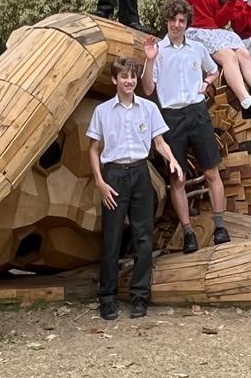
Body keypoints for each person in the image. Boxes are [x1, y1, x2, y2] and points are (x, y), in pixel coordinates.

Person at [87, 57, 184, 320]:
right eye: (124, 77)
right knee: (112, 238)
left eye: (132, 76)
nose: (129, 81)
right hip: (113, 175)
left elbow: (159, 142)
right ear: (115, 80)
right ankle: (107, 297)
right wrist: (100, 182)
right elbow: (94, 149)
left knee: (143, 237)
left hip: (141, 173)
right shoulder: (102, 111)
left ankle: (140, 296)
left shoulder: (148, 108)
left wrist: (173, 160)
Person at [142, 0, 232, 254]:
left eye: (181, 21)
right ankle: (188, 232)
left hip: (197, 112)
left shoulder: (197, 48)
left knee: (211, 170)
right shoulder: (158, 50)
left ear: (186, 23)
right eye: (173, 20)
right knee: (177, 177)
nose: (177, 24)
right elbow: (147, 89)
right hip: (171, 116)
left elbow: (213, 71)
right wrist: (149, 60)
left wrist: (206, 84)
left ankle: (220, 226)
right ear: (167, 21)